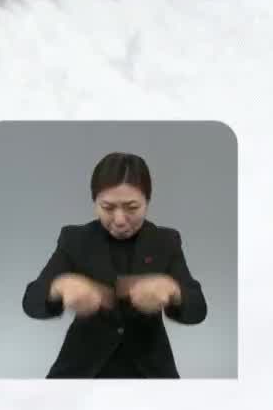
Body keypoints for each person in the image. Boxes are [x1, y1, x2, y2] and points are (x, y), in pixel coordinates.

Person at [20, 151, 208, 377]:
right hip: (81, 370)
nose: (119, 220)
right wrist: (58, 288)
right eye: (108, 208)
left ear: (147, 201)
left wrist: (173, 291)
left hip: (150, 372)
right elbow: (31, 301)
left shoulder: (165, 241)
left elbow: (198, 309)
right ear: (94, 202)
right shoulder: (75, 239)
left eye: (132, 207)